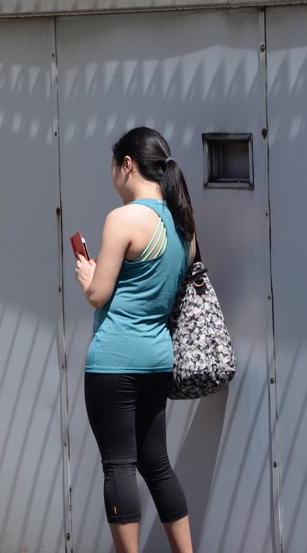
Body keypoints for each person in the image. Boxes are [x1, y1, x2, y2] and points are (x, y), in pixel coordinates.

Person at [74, 126, 197, 553]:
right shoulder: (184, 225)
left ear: (127, 164)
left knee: (119, 467)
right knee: (157, 466)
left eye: (113, 167)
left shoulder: (123, 218)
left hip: (114, 361)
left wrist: (89, 275)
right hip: (157, 359)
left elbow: (99, 295)